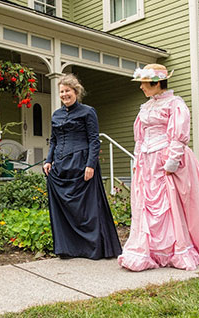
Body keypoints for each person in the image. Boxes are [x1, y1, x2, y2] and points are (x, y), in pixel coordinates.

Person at [118, 64, 199, 271]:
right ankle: (150, 250)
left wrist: (171, 162)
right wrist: (138, 159)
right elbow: (140, 137)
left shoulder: (175, 104)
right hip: (147, 162)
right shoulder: (145, 107)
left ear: (156, 83)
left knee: (169, 203)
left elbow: (178, 135)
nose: (141, 88)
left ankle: (172, 249)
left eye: (144, 84)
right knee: (146, 205)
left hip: (164, 159)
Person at [43, 73, 122, 260]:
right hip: (61, 166)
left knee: (88, 209)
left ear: (76, 91)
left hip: (81, 164)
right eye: (61, 91)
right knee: (66, 209)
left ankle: (92, 248)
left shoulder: (87, 111)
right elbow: (54, 140)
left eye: (67, 91)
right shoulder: (57, 115)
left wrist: (90, 164)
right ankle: (69, 248)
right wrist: (48, 160)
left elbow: (94, 140)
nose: (64, 94)